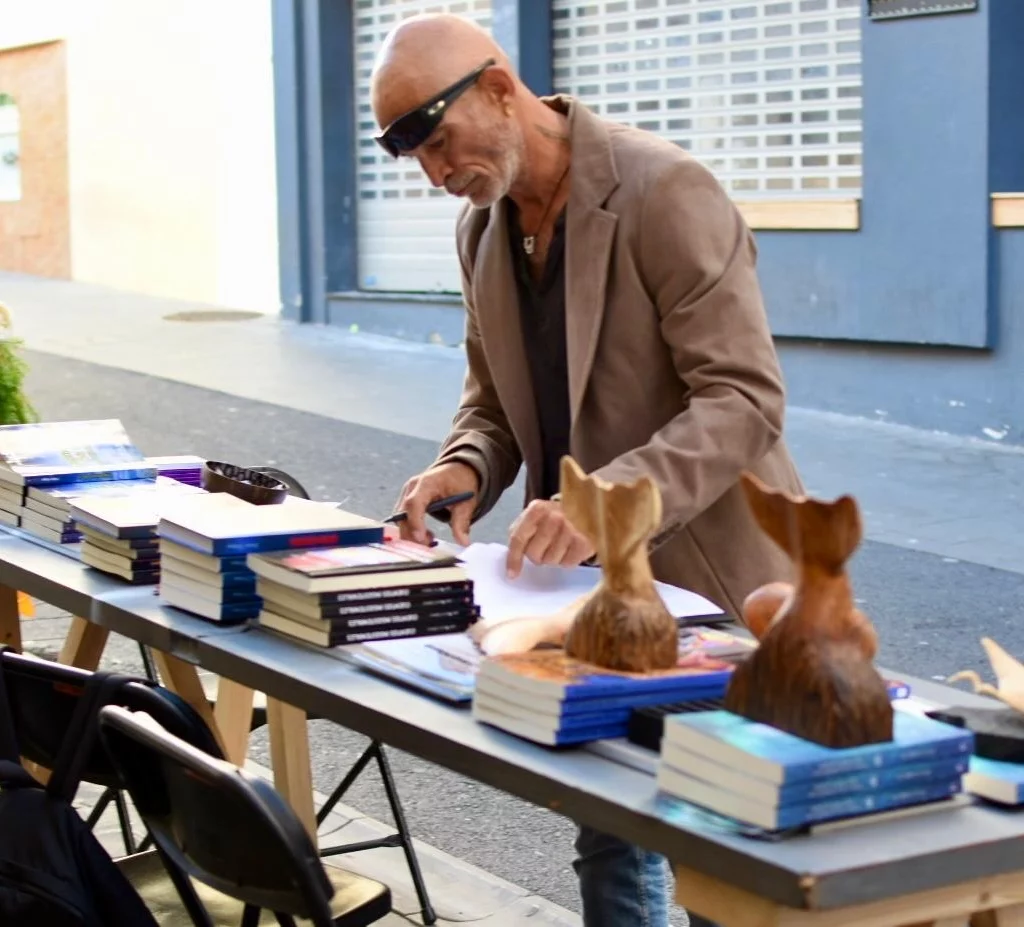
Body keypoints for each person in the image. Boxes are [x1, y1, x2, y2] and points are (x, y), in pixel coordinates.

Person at [370, 14, 804, 927]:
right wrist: (462, 468)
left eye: (438, 142)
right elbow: (493, 399)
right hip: (586, 602)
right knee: (609, 831)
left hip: (717, 588)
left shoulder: (665, 190)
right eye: (409, 154)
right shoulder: (481, 228)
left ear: (499, 88)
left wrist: (606, 504)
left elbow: (743, 396)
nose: (435, 174)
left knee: (724, 856)